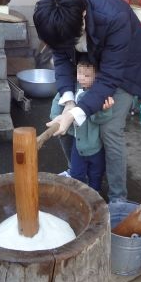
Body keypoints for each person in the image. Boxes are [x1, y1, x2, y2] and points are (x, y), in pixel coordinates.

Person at [33, 0, 141, 203]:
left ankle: (118, 197)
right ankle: (75, 170)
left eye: (69, 40)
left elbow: (109, 77)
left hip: (126, 68)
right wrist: (70, 104)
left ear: (83, 15)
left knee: (110, 128)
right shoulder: (58, 20)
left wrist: (78, 111)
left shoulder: (113, 17)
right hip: (88, 62)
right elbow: (62, 59)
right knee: (59, 113)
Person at [50, 54, 113, 192]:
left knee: (96, 175)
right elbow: (57, 102)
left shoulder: (98, 95)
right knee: (76, 174)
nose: (81, 78)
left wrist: (105, 110)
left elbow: (99, 119)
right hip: (77, 147)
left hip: (95, 146)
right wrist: (57, 118)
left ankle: (94, 200)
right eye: (79, 73)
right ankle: (78, 199)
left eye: (87, 75)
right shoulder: (71, 89)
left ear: (96, 76)